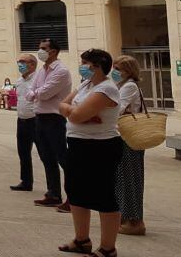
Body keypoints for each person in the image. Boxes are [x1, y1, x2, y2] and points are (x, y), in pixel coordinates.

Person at [58, 49, 123, 257]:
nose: (82, 66)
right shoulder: (86, 85)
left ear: (97, 66)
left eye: (85, 63)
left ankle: (107, 247)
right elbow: (62, 105)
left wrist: (76, 114)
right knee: (76, 192)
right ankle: (81, 240)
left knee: (103, 195)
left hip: (101, 147)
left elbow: (75, 114)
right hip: (78, 144)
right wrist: (77, 114)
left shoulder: (106, 89)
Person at [26, 37, 73, 212]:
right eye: (40, 47)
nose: (41, 51)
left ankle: (73, 198)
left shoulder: (61, 71)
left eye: (43, 48)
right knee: (47, 158)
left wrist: (35, 93)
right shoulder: (41, 70)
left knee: (63, 158)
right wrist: (35, 93)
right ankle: (53, 193)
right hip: (39, 117)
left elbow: (44, 93)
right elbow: (30, 91)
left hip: (54, 118)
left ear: (53, 51)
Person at [113, 55, 146, 236]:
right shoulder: (121, 86)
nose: (115, 72)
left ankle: (134, 220)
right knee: (122, 179)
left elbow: (117, 109)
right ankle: (125, 217)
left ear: (129, 71)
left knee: (129, 180)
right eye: (114, 68)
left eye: (119, 69)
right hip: (122, 137)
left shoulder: (130, 86)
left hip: (129, 139)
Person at [11, 53, 38, 192]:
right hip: (21, 120)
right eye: (19, 62)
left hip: (35, 120)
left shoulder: (38, 79)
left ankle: (54, 189)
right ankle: (26, 181)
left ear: (32, 64)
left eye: (23, 61)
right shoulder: (19, 81)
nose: (20, 64)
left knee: (46, 155)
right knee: (23, 152)